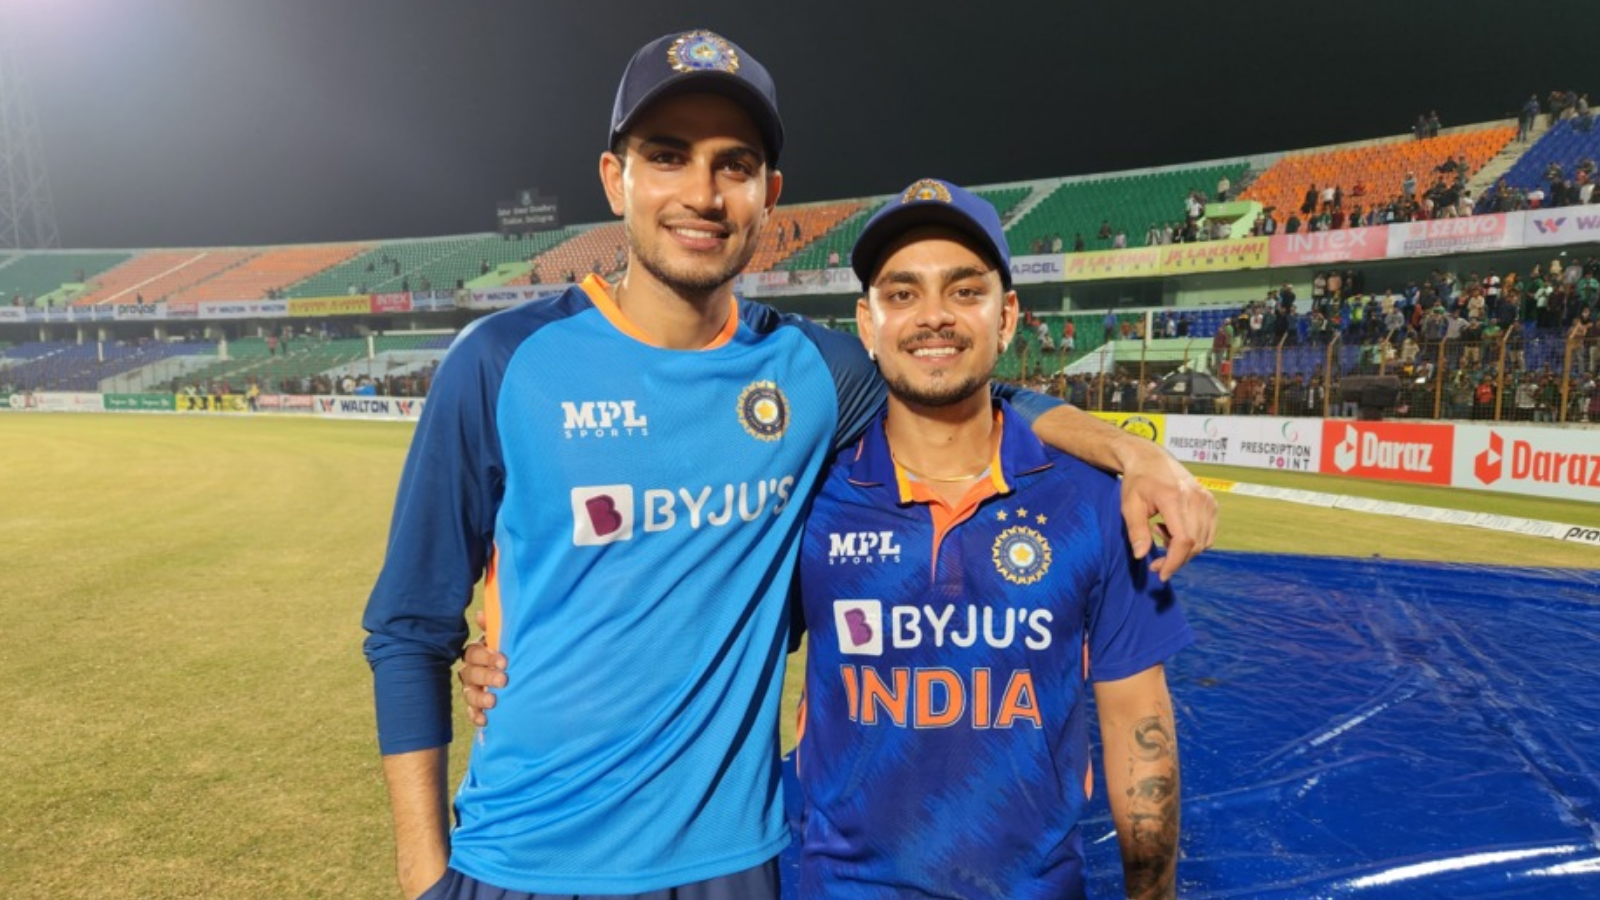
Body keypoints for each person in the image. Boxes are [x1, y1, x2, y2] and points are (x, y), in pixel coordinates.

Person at [367, 30, 1215, 900]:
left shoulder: (809, 371)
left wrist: (1130, 448)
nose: (701, 192)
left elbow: (954, 382)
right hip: (522, 859)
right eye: (667, 156)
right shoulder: (503, 363)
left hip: (734, 866)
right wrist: (424, 877)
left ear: (769, 196)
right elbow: (408, 628)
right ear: (616, 178)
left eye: (733, 165)